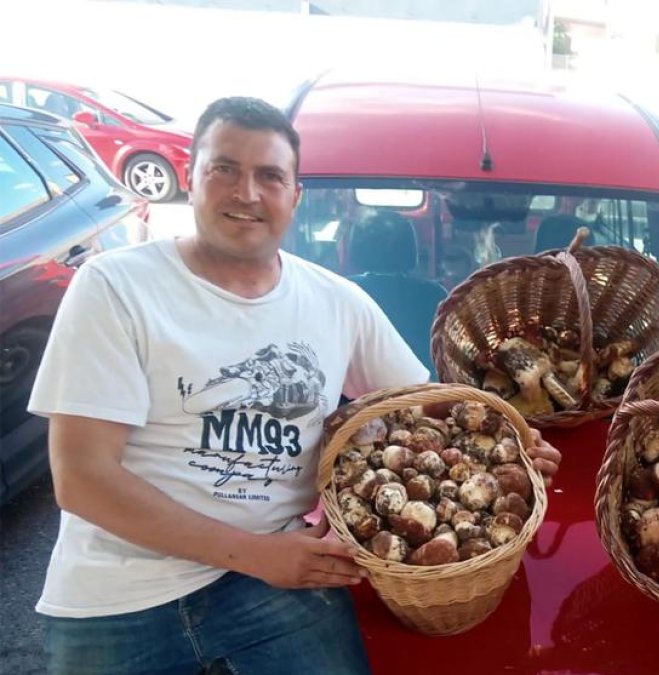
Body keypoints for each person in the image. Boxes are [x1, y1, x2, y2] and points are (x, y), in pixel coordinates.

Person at [28, 96, 562, 675]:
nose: (247, 193)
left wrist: (515, 441)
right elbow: (82, 479)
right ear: (190, 176)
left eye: (270, 176)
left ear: (295, 196)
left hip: (274, 588)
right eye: (224, 168)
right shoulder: (116, 287)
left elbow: (429, 406)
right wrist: (257, 556)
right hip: (118, 591)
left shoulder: (337, 303)